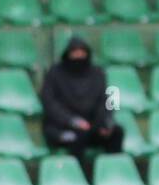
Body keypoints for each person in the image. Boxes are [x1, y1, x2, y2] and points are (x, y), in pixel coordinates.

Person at [41, 36, 123, 167]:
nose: (79, 56)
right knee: (77, 136)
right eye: (75, 52)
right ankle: (80, 178)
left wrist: (105, 123)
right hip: (62, 127)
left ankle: (114, 173)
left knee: (116, 132)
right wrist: (72, 121)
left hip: (92, 126)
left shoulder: (97, 73)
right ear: (68, 53)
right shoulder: (55, 73)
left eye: (82, 52)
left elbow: (106, 101)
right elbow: (50, 103)